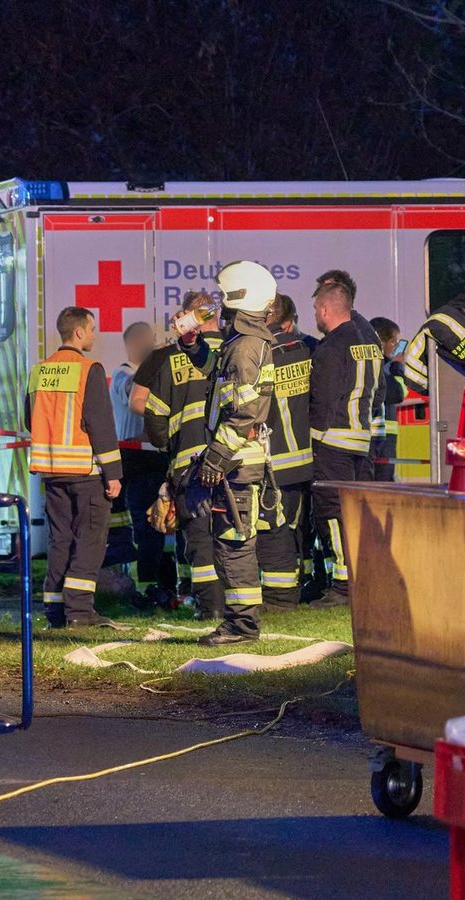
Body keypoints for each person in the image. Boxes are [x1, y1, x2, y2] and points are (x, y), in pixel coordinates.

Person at [198, 261, 278, 645]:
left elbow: (247, 412)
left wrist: (216, 455)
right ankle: (239, 621)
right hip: (239, 461)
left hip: (237, 463)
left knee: (234, 543)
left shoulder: (245, 348)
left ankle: (242, 625)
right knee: (231, 540)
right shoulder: (243, 344)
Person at [27, 306, 122, 628]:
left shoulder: (39, 371)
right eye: (92, 329)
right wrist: (115, 474)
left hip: (52, 472)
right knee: (90, 541)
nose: (94, 335)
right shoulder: (88, 369)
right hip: (85, 472)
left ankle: (55, 610)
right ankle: (80, 613)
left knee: (60, 540)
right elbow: (101, 425)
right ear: (79, 332)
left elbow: (31, 419)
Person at [142, 292, 226, 619]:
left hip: (188, 467)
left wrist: (168, 446)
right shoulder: (235, 350)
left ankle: (211, 609)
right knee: (235, 537)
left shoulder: (172, 359)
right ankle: (243, 605)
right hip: (234, 462)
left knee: (201, 541)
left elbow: (154, 419)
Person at [308, 270, 384, 608]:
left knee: (332, 513)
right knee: (355, 512)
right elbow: (379, 391)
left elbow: (320, 399)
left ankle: (342, 585)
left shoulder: (330, 348)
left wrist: (312, 438)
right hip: (361, 439)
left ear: (325, 310)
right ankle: (363, 577)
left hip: (332, 442)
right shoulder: (369, 341)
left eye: (316, 311)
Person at [110, 322, 174, 606]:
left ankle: (167, 585)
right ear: (133, 344)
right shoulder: (124, 374)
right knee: (146, 526)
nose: (152, 346)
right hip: (137, 462)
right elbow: (140, 402)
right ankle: (146, 588)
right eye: (147, 342)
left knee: (164, 525)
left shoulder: (147, 374)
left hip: (156, 458)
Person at [258, 294, 313, 611]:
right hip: (303, 459)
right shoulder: (307, 349)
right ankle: (295, 589)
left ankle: (280, 599)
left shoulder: (264, 354)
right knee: (295, 529)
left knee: (273, 529)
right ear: (289, 321)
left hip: (273, 459)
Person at [369, 316, 404, 483]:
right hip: (381, 434)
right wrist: (398, 369)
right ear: (382, 342)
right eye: (393, 342)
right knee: (381, 480)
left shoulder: (384, 363)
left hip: (383, 433)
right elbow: (397, 394)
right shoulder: (384, 366)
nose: (395, 347)